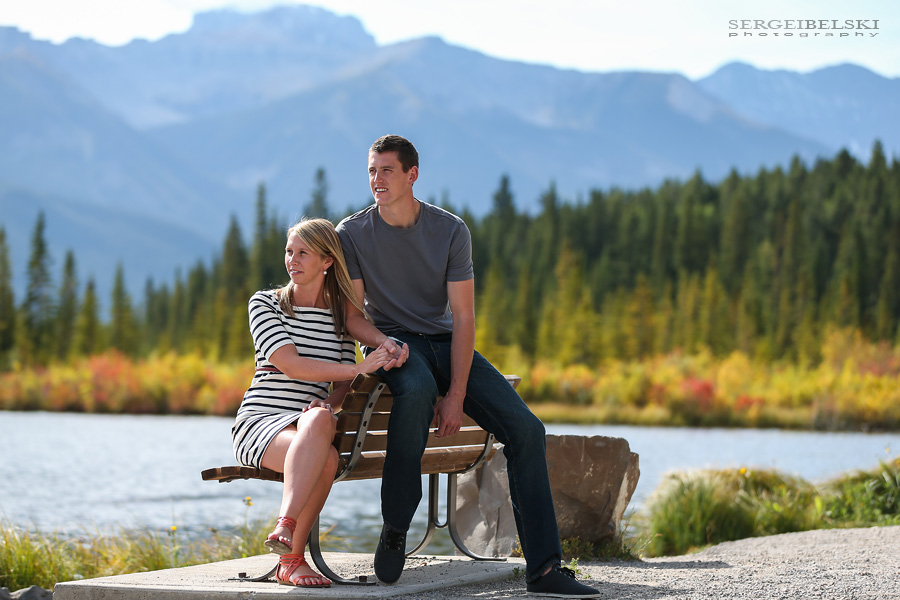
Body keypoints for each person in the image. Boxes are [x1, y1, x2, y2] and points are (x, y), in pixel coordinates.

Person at [336, 135, 602, 598]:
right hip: (394, 346)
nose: (377, 180)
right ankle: (397, 527)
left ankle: (543, 570)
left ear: (412, 175)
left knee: (527, 431)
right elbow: (353, 314)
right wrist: (384, 342)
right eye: (372, 171)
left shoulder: (450, 231)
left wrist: (457, 393)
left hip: (446, 342)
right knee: (416, 389)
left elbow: (463, 317)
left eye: (387, 171)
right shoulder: (352, 233)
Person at [231, 217, 398, 588]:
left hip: (308, 423)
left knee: (322, 425)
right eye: (289, 252)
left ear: (326, 262)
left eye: (303, 253)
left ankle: (286, 538)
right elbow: (289, 363)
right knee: (323, 446)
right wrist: (359, 367)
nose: (293, 260)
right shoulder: (265, 304)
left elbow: (339, 386)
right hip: (262, 421)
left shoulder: (340, 318)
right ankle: (290, 552)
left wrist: (335, 396)